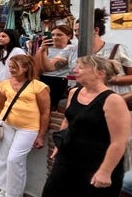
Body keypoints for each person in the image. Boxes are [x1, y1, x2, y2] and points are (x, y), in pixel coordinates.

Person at [42, 56, 131, 197]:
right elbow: (67, 120)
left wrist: (105, 171)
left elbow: (119, 141)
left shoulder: (113, 100)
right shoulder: (74, 92)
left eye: (81, 67)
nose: (75, 70)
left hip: (96, 163)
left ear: (100, 73)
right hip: (68, 159)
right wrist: (60, 143)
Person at [0, 55, 50, 197]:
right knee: (3, 158)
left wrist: (41, 136)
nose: (10, 69)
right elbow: (0, 106)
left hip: (28, 128)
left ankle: (13, 194)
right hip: (7, 125)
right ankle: (4, 189)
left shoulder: (39, 87)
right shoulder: (5, 84)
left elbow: (45, 112)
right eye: (10, 66)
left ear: (25, 68)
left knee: (14, 159)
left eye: (14, 67)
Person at [34, 24, 76, 110]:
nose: (55, 37)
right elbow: (37, 70)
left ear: (69, 36)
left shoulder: (72, 49)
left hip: (63, 81)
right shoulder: (44, 50)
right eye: (53, 35)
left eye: (59, 35)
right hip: (45, 80)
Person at [92, 8, 132, 94]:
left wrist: (112, 79)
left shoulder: (118, 49)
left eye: (80, 29)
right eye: (75, 30)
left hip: (118, 97)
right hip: (93, 99)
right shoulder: (77, 50)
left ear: (96, 30)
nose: (76, 33)